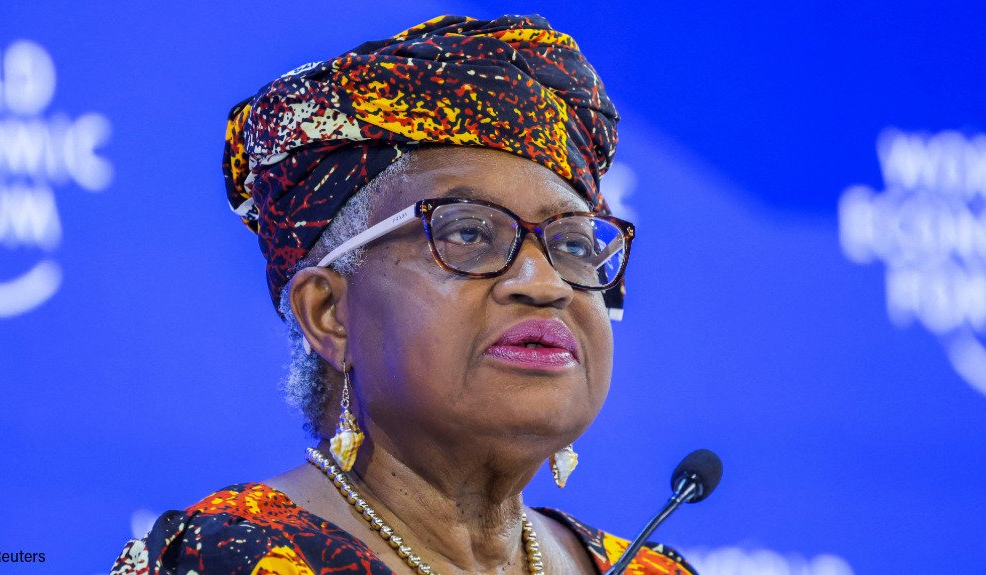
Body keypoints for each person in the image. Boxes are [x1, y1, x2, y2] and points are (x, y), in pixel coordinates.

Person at [110, 14, 697, 575]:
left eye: (571, 245)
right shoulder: (230, 561)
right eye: (468, 233)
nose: (544, 285)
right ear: (329, 313)